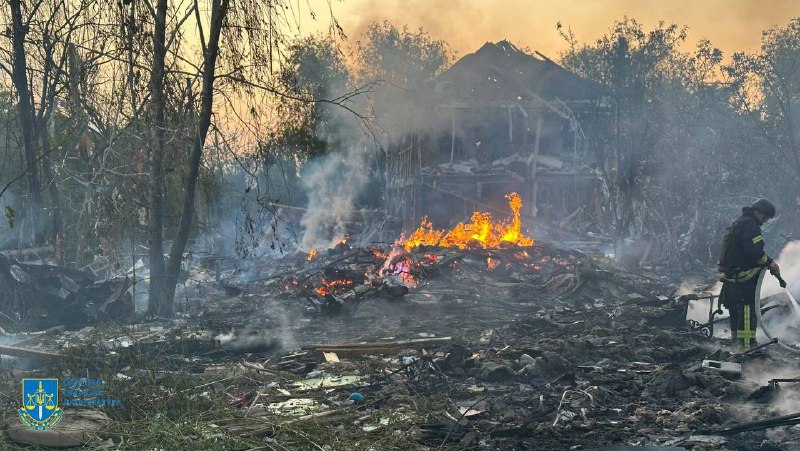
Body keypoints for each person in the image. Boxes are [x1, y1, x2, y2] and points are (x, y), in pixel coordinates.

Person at [717, 198, 780, 351]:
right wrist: (770, 263)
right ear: (760, 212)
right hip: (743, 279)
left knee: (735, 312)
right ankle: (747, 349)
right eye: (766, 217)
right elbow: (755, 252)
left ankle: (737, 346)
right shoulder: (751, 226)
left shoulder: (740, 222)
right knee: (747, 311)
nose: (765, 221)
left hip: (732, 277)